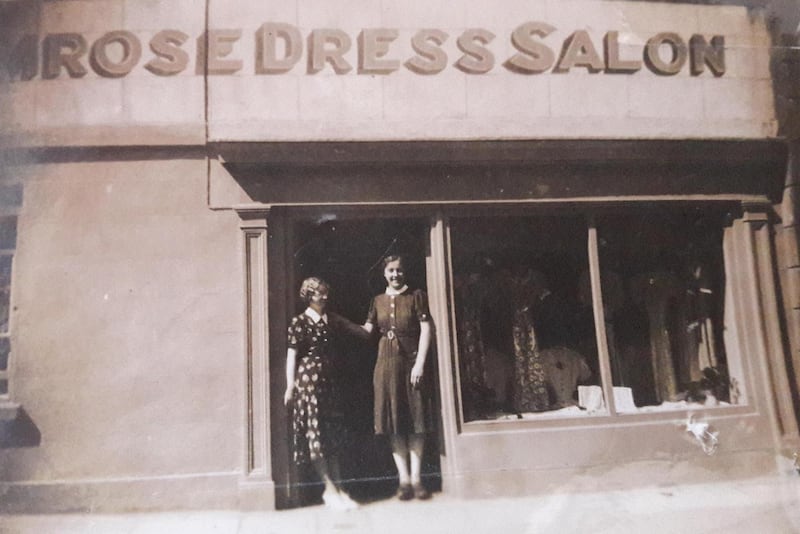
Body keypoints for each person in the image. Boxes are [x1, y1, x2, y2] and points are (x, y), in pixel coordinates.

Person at [284, 277, 365, 511]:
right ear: (309, 295)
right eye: (320, 293)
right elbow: (292, 356)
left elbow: (361, 331)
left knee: (333, 437)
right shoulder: (299, 322)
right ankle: (329, 490)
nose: (325, 296)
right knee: (317, 436)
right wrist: (290, 385)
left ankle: (340, 489)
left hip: (330, 383)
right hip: (309, 383)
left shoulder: (332, 320)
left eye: (325, 292)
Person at [362, 255, 433, 501]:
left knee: (416, 420)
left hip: (411, 363)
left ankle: (417, 480)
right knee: (393, 421)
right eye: (391, 271)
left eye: (399, 270)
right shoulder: (377, 301)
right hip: (386, 365)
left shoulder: (416, 296)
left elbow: (426, 328)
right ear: (384, 273)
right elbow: (366, 331)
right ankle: (403, 480)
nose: (395, 275)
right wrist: (336, 322)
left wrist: (420, 363)